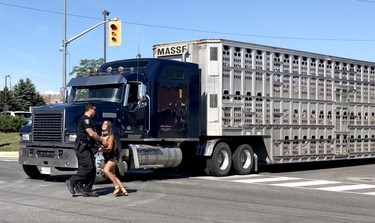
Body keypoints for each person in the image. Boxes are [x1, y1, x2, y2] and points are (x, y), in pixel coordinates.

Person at [66, 103, 108, 197]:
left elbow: (92, 137)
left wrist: (98, 145)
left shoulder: (90, 120)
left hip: (88, 148)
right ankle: (72, 180)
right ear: (90, 109)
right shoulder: (85, 119)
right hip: (82, 148)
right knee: (89, 168)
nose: (95, 112)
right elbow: (91, 134)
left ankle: (87, 189)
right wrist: (102, 141)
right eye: (95, 109)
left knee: (92, 170)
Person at [98, 120, 128, 196]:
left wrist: (102, 149)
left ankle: (117, 186)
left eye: (105, 124)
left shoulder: (111, 135)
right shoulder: (101, 136)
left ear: (109, 126)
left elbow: (110, 148)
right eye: (103, 123)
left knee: (106, 170)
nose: (103, 125)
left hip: (113, 156)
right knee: (113, 175)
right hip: (107, 157)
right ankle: (123, 190)